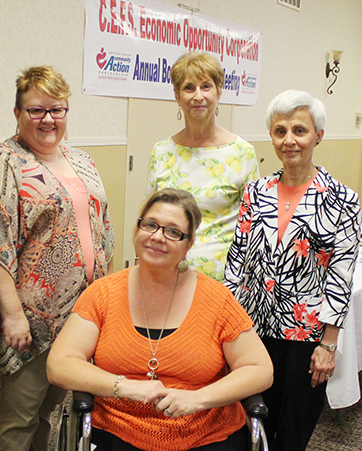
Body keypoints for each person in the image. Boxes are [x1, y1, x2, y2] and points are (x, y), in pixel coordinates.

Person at [47, 188, 273, 451]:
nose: (157, 237)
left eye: (173, 231)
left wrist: (198, 399)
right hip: (120, 429)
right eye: (150, 225)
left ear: (188, 245)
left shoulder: (217, 299)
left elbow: (260, 369)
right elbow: (59, 364)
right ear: (137, 229)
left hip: (206, 432)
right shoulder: (102, 293)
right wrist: (126, 387)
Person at [0, 65, 115, 451]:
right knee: (17, 416)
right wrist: (12, 315)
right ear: (17, 113)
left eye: (57, 110)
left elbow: (103, 227)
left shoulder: (81, 160)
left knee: (51, 411)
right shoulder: (5, 162)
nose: (48, 119)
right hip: (31, 319)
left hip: (79, 314)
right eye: (36, 110)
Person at [224, 90, 361, 451]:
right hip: (252, 332)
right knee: (248, 429)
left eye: (299, 130)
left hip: (306, 339)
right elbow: (237, 263)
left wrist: (329, 345)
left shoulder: (342, 199)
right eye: (279, 130)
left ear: (318, 135)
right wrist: (227, 329)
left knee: (290, 436)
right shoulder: (256, 192)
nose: (289, 140)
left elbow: (341, 276)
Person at [147, 52, 259, 282]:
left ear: (219, 91)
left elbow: (254, 226)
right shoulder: (161, 152)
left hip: (226, 282)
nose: (198, 96)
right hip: (168, 277)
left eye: (206, 86)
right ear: (177, 96)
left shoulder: (242, 153)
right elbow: (150, 223)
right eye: (189, 88)